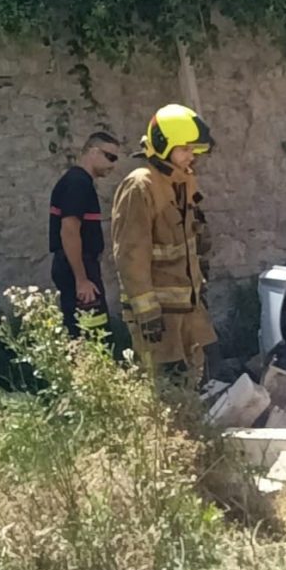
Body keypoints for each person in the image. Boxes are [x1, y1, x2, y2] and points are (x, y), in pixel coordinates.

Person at [111, 104, 218, 382]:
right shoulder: (141, 186)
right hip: (160, 318)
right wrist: (146, 312)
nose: (191, 157)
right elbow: (131, 255)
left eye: (193, 150)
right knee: (165, 391)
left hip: (188, 311)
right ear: (163, 145)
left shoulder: (182, 182)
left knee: (194, 386)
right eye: (184, 149)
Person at [48, 132, 121, 338]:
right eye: (110, 157)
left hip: (77, 264)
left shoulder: (78, 181)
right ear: (93, 152)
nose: (112, 165)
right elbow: (69, 230)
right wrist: (82, 279)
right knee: (91, 331)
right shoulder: (78, 183)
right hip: (78, 266)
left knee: (87, 328)